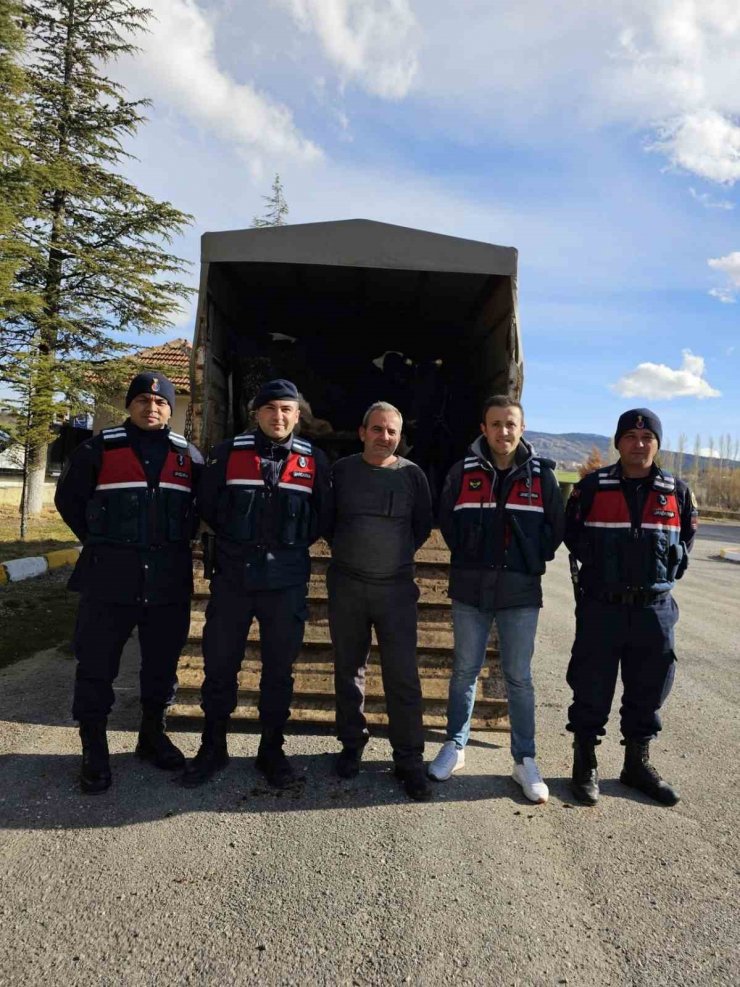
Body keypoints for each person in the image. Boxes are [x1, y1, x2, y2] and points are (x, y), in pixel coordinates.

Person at [55, 372, 203, 794]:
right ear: (129, 405)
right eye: (142, 400)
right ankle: (94, 747)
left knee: (161, 666)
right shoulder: (98, 449)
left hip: (167, 581)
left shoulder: (188, 456)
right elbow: (69, 501)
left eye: (159, 403)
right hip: (109, 579)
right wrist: (103, 542)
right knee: (97, 665)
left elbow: (201, 507)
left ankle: (151, 735)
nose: (151, 407)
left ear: (170, 410)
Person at [183, 379, 332, 789]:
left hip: (285, 584)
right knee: (219, 666)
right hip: (233, 580)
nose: (278, 416)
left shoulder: (314, 460)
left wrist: (286, 548)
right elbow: (208, 506)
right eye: (270, 409)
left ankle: (272, 749)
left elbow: (322, 517)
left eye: (287, 409)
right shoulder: (226, 455)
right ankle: (213, 746)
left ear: (298, 416)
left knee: (279, 671)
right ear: (257, 414)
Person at [431, 394, 564, 804]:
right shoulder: (463, 471)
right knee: (464, 671)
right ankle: (455, 746)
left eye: (510, 424)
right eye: (495, 424)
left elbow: (554, 530)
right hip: (471, 589)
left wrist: (525, 559)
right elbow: (447, 521)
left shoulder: (541, 477)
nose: (503, 432)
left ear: (521, 428)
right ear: (483, 428)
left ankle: (524, 759)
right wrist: (473, 558)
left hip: (520, 592)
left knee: (519, 677)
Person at [564, 408, 698, 806]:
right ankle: (584, 763)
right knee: (591, 686)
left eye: (647, 439)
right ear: (618, 441)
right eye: (631, 437)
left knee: (649, 688)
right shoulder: (591, 487)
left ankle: (635, 765)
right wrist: (606, 570)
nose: (639, 445)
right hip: (601, 606)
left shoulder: (677, 492)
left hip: (654, 609)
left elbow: (686, 542)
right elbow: (572, 535)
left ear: (657, 444)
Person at [328, 401, 433, 801]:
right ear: (362, 432)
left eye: (391, 431)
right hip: (348, 587)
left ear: (399, 436)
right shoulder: (342, 472)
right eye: (377, 429)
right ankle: (351, 746)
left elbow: (421, 525)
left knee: (403, 677)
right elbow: (327, 520)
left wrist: (393, 558)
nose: (384, 437)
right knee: (348, 669)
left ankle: (409, 760)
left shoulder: (413, 476)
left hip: (396, 591)